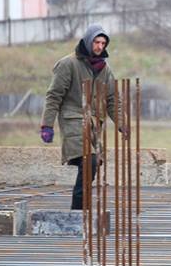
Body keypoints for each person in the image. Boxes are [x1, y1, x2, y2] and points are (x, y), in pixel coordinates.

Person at [41, 24, 122, 210]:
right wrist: (47, 125)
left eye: (103, 43)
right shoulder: (68, 64)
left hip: (93, 127)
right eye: (96, 41)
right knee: (89, 162)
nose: (100, 46)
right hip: (73, 122)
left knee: (90, 167)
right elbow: (54, 95)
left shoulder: (105, 69)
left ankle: (79, 211)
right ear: (88, 41)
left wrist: (122, 123)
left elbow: (112, 99)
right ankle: (78, 212)